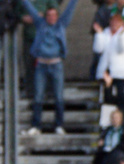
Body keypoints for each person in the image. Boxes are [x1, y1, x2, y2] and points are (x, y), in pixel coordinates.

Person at [20, 0, 80, 135]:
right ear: (45, 16)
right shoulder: (40, 24)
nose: (52, 18)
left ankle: (59, 124)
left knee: (58, 96)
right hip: (41, 65)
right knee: (38, 96)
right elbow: (29, 8)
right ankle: (36, 125)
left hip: (56, 64)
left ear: (57, 16)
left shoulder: (61, 24)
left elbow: (70, 9)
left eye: (54, 15)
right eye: (49, 15)